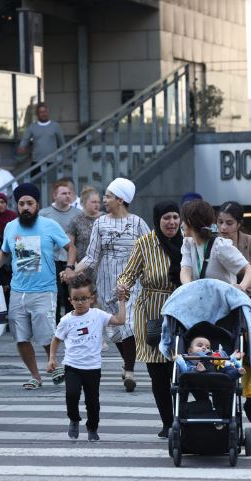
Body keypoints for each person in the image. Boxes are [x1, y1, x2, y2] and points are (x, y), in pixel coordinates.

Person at [64, 178, 149, 393]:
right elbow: (92, 257)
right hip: (105, 281)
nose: (104, 200)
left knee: (128, 323)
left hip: (132, 282)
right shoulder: (100, 224)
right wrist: (73, 270)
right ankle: (127, 362)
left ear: (120, 200)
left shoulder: (138, 223)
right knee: (114, 329)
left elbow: (149, 252)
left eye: (109, 196)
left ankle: (129, 370)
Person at [0, 183, 71, 390]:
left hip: (44, 290)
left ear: (37, 205)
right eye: (22, 204)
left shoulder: (49, 225)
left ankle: (54, 362)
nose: (25, 207)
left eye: (30, 203)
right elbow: (5, 251)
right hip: (18, 291)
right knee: (21, 337)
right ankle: (35, 376)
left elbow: (70, 247)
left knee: (46, 333)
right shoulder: (11, 227)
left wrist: (69, 267)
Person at [115, 201, 181, 437]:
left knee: (182, 368)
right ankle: (167, 422)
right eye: (166, 218)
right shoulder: (145, 243)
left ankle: (185, 417)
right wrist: (122, 287)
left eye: (175, 217)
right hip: (153, 313)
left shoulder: (188, 241)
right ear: (157, 220)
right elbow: (128, 274)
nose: (172, 222)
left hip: (183, 312)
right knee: (158, 372)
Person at [47, 275, 126, 442]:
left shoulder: (98, 315)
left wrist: (122, 301)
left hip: (92, 367)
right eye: (76, 299)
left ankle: (92, 428)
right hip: (72, 366)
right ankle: (74, 419)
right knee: (72, 395)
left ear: (92, 299)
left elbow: (120, 320)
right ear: (70, 300)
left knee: (93, 402)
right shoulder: (66, 320)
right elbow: (56, 339)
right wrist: (52, 358)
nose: (80, 302)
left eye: (84, 299)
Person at [216, 200, 251, 435]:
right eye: (219, 222)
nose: (223, 227)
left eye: (229, 223)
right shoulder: (212, 243)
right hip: (218, 310)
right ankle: (221, 410)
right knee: (220, 358)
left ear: (239, 224)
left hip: (248, 307)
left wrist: (239, 291)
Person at [179, 199, 251, 292]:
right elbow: (185, 269)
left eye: (183, 220)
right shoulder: (188, 243)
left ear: (190, 221)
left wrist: (240, 288)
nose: (181, 224)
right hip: (201, 301)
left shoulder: (220, 246)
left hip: (223, 302)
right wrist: (189, 288)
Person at [40, 179, 82, 324]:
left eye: (69, 193)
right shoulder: (44, 214)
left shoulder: (78, 213)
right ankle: (56, 326)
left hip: (71, 260)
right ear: (54, 195)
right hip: (51, 260)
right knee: (55, 294)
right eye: (63, 193)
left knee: (71, 294)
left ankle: (72, 324)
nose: (67, 196)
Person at [18, 102, 65, 173]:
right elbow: (25, 140)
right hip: (36, 161)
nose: (44, 114)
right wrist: (22, 147)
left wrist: (62, 158)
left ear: (48, 112)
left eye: (45, 111)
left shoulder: (55, 126)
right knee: (36, 183)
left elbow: (62, 143)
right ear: (37, 114)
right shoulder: (32, 127)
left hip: (52, 161)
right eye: (41, 112)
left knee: (52, 183)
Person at [65, 187, 101, 280]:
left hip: (102, 268)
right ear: (83, 203)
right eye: (93, 202)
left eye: (98, 202)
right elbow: (70, 246)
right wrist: (75, 267)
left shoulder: (105, 219)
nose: (97, 205)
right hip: (81, 269)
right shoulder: (75, 221)